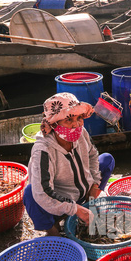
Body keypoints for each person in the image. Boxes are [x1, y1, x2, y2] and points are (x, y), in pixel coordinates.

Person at [23, 92, 115, 236]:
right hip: (59, 203)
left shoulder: (81, 132)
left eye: (79, 118)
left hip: (83, 193)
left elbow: (92, 155)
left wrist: (94, 185)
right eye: (68, 120)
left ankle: (89, 203)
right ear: (54, 123)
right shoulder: (43, 151)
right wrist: (75, 209)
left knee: (107, 160)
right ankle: (53, 231)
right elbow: (43, 193)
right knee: (30, 193)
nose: (76, 124)